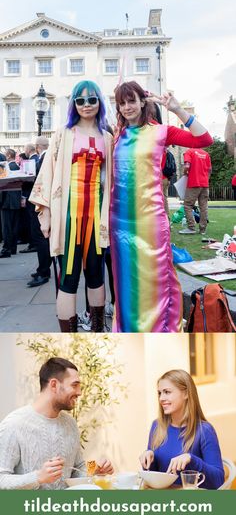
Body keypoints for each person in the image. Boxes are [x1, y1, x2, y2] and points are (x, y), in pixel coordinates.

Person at [110, 82, 213, 332]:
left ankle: (161, 330)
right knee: (126, 281)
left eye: (131, 100)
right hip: (119, 222)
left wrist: (178, 110)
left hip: (150, 220)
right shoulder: (116, 135)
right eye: (122, 103)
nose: (127, 107)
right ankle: (129, 329)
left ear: (143, 101)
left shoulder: (160, 131)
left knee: (156, 278)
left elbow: (204, 139)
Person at [30, 81, 113, 332]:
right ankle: (70, 336)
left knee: (96, 275)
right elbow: (46, 174)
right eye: (80, 100)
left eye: (91, 100)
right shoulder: (63, 135)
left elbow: (111, 180)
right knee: (69, 276)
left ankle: (98, 330)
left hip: (96, 217)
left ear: (99, 102)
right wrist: (46, 218)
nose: (86, 105)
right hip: (68, 217)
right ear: (73, 104)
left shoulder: (108, 137)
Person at [0, 357, 114, 490]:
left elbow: (77, 469)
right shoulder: (14, 424)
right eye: (74, 385)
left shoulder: (70, 423)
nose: (79, 392)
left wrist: (94, 468)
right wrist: (37, 477)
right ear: (54, 385)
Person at [139, 369, 224, 490]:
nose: (161, 398)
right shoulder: (157, 426)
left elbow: (218, 481)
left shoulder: (204, 431)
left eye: (167, 392)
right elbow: (156, 477)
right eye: (159, 393)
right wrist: (149, 459)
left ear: (186, 394)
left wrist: (192, 460)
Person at [27, 136, 52, 287]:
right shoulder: (43, 158)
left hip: (42, 204)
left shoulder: (45, 158)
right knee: (41, 238)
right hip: (41, 202)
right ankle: (42, 269)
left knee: (41, 238)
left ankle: (44, 271)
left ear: (37, 147)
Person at [179, 148, 212, 235]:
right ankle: (202, 230)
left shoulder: (189, 152)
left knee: (188, 205)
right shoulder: (206, 154)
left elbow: (187, 166)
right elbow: (210, 170)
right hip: (205, 184)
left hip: (194, 183)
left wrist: (185, 173)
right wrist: (206, 179)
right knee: (203, 207)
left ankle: (191, 227)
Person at [0, 149, 21, 258]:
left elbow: (2, 185)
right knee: (14, 226)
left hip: (6, 201)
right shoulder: (18, 167)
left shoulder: (4, 167)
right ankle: (13, 248)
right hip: (16, 201)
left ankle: (6, 249)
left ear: (8, 156)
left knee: (6, 227)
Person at [19, 143, 39, 254]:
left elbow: (28, 179)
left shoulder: (31, 161)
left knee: (32, 221)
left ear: (28, 150)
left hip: (31, 195)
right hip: (35, 194)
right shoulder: (36, 159)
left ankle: (33, 244)